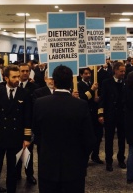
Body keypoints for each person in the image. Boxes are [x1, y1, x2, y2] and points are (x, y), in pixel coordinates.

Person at [33, 65, 95, 193]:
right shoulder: (81, 105)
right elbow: (89, 139)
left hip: (48, 165)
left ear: (54, 82)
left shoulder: (40, 103)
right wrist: (82, 159)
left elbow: (37, 133)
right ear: (71, 82)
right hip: (74, 167)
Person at [0, 65, 32, 193]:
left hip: (15, 137)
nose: (18, 79)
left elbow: (28, 117)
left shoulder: (25, 93)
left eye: (18, 76)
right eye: (14, 77)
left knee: (13, 170)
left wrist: (27, 138)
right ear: (6, 78)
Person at [98, 61, 127, 171]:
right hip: (110, 115)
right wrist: (100, 114)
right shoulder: (106, 82)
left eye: (124, 71)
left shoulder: (125, 82)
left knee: (122, 139)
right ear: (115, 71)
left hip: (122, 115)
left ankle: (121, 159)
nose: (123, 73)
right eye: (121, 71)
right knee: (109, 140)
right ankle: (108, 161)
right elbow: (102, 99)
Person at [16, 63, 39, 185]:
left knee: (28, 151)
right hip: (16, 124)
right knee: (16, 150)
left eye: (27, 71)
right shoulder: (13, 86)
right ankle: (16, 173)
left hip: (29, 123)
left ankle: (29, 174)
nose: (25, 73)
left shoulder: (34, 87)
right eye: (23, 71)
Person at [78, 67, 103, 164]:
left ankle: (95, 155)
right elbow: (83, 98)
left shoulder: (95, 83)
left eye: (89, 73)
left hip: (96, 114)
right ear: (81, 75)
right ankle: (85, 156)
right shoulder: (78, 85)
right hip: (86, 114)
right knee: (88, 137)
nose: (88, 75)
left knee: (99, 136)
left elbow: (101, 99)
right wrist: (92, 90)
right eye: (86, 73)